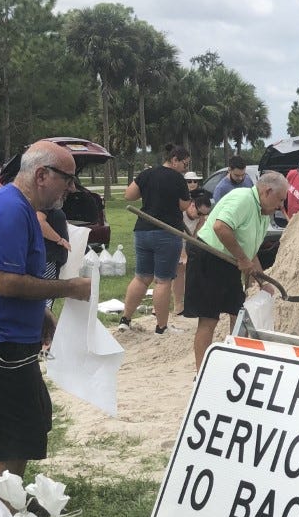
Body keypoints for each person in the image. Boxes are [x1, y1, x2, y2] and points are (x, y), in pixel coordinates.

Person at [0, 142, 92, 496]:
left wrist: (41, 310)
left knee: (32, 424)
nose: (71, 188)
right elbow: (6, 282)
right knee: (17, 441)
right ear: (42, 174)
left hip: (6, 341)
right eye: (68, 179)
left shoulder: (22, 210)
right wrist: (69, 288)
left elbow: (4, 277)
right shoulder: (10, 211)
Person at [182, 171, 289, 370]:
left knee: (238, 313)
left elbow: (251, 251)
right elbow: (220, 227)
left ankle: (233, 363)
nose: (281, 206)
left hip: (230, 262)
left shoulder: (264, 213)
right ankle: (201, 372)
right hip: (209, 257)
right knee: (209, 318)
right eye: (280, 199)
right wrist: (242, 258)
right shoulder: (243, 199)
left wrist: (262, 282)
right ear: (267, 191)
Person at [120, 147, 191, 335]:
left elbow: (129, 195)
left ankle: (125, 320)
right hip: (167, 232)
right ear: (175, 159)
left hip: (143, 231)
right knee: (163, 281)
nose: (185, 168)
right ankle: (161, 327)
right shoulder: (177, 179)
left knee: (141, 277)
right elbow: (185, 205)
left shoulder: (147, 174)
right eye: (185, 164)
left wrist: (150, 193)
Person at [172, 171, 203, 312]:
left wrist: (192, 248)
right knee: (168, 273)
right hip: (174, 239)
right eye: (189, 181)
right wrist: (183, 253)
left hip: (188, 240)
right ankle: (171, 304)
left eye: (194, 181)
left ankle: (182, 304)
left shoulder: (202, 201)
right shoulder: (180, 203)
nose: (192, 184)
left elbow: (197, 232)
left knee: (184, 271)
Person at [36, 205, 71, 313]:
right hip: (48, 257)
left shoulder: (51, 203)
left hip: (51, 257)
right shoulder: (46, 203)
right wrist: (59, 239)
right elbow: (40, 222)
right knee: (46, 296)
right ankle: (44, 325)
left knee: (47, 296)